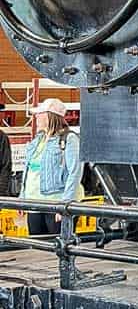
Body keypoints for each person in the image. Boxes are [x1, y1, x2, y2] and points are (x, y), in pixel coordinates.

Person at [21, 99, 82, 236]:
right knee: (38, 248)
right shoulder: (38, 139)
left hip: (56, 202)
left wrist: (65, 205)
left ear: (50, 116)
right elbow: (28, 170)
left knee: (58, 246)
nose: (36, 116)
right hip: (34, 203)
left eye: (40, 113)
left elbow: (75, 172)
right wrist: (22, 198)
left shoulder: (69, 139)